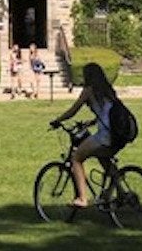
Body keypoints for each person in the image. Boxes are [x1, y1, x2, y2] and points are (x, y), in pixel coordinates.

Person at [49, 62, 119, 208]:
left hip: (105, 135)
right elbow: (108, 114)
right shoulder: (108, 90)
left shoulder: (89, 91)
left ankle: (82, 198)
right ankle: (120, 192)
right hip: (118, 133)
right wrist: (92, 122)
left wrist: (57, 120)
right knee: (103, 157)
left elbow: (73, 111)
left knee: (76, 158)